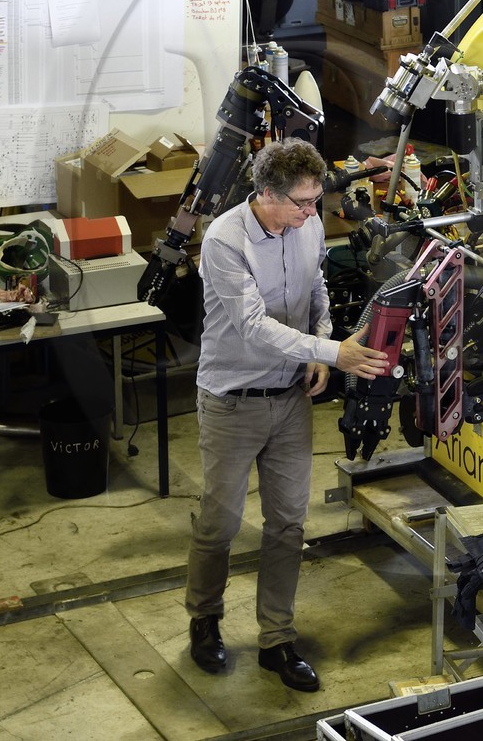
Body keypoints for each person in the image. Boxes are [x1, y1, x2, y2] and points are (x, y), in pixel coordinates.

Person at [185, 138, 390, 692]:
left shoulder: (309, 226)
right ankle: (204, 620)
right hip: (233, 401)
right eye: (301, 203)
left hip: (289, 400)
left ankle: (276, 639)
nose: (310, 213)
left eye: (316, 201)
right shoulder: (226, 241)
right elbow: (253, 328)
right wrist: (333, 353)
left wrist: (321, 340)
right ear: (266, 195)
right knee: (220, 522)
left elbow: (316, 289)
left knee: (288, 525)